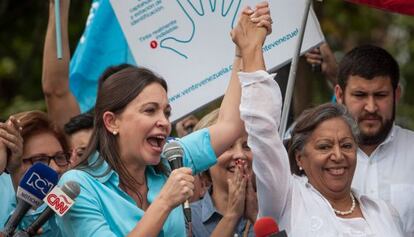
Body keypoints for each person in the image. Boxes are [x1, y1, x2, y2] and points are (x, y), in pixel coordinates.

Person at [56, 2, 272, 237]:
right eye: (150, 111)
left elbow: (230, 125)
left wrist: (243, 50)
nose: (164, 122)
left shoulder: (170, 159)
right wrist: (165, 202)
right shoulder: (74, 186)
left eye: (166, 112)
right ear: (111, 122)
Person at [237, 57, 404, 234]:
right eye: (324, 147)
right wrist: (251, 50)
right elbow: (263, 133)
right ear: (300, 158)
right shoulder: (288, 198)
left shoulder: (385, 213)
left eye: (347, 145)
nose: (338, 156)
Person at [334, 45, 414, 236]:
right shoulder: (318, 160)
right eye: (360, 95)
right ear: (339, 95)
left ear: (396, 95)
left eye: (380, 95)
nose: (370, 107)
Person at [0, 110, 70, 236]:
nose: (55, 168)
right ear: (11, 164)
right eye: (40, 161)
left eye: (60, 157)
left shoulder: (75, 195)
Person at [190, 108, 257, 237]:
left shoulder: (273, 207)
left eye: (247, 146)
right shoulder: (188, 219)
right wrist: (231, 215)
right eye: (227, 146)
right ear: (205, 160)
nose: (240, 155)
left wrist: (256, 217)